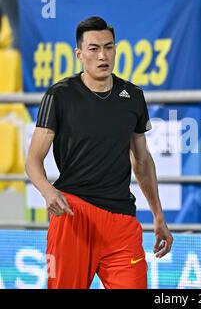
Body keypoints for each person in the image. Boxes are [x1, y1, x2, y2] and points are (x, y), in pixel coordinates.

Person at [25, 16, 173, 289]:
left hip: (121, 223)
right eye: (94, 48)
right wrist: (47, 191)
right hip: (72, 217)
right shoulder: (59, 95)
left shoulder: (133, 96)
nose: (103, 55)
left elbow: (142, 161)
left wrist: (158, 216)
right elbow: (33, 159)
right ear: (79, 54)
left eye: (109, 47)